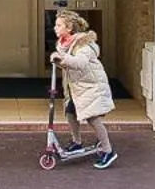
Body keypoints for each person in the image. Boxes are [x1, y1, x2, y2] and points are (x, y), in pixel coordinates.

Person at [50, 10, 118, 170]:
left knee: (92, 117)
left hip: (91, 86)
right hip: (77, 87)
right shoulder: (63, 44)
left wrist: (61, 59)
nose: (55, 28)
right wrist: (59, 60)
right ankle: (77, 142)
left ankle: (108, 150)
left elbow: (79, 63)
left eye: (59, 25)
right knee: (70, 112)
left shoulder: (84, 44)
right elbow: (68, 63)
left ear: (69, 27)